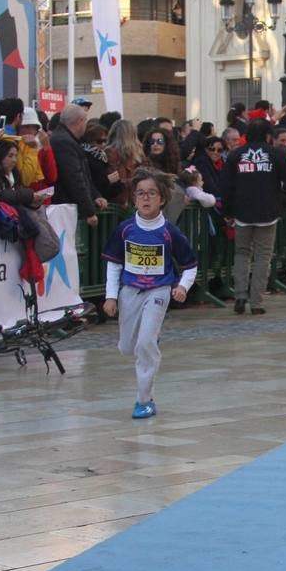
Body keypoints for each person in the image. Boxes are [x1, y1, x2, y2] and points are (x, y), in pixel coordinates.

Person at [101, 169, 199, 419]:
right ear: (134, 198)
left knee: (145, 344)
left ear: (162, 199)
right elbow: (113, 264)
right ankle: (149, 342)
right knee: (128, 347)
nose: (146, 199)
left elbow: (190, 265)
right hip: (129, 291)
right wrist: (111, 296)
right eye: (141, 194)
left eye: (152, 194)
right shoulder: (125, 229)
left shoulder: (170, 232)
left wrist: (182, 287)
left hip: (159, 290)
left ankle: (143, 401)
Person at [218, 117, 286, 315]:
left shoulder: (236, 155)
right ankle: (256, 302)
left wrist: (227, 211)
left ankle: (239, 296)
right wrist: (284, 194)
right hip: (268, 212)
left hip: (241, 212)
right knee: (263, 256)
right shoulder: (276, 154)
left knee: (242, 254)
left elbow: (225, 186)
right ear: (268, 136)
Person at [50, 103, 107, 227]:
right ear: (80, 121)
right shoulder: (64, 142)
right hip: (65, 208)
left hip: (67, 207)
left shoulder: (66, 139)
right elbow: (74, 178)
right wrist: (89, 211)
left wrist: (95, 195)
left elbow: (82, 176)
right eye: (85, 121)